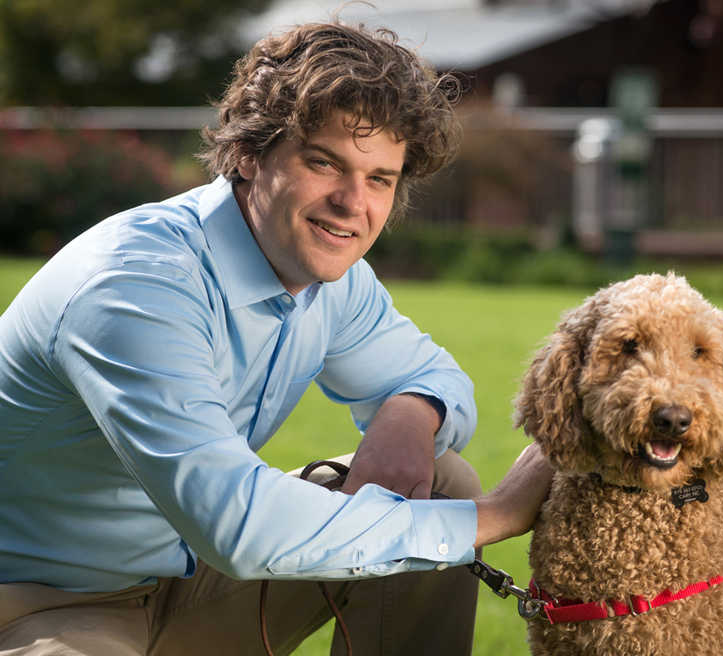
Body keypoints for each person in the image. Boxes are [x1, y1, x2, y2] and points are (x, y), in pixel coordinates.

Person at [0, 20, 553, 656]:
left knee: (443, 476)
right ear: (248, 153)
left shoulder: (330, 275)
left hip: (190, 584)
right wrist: (497, 517)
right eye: (324, 162)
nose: (353, 203)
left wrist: (411, 411)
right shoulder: (135, 287)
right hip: (42, 602)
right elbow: (238, 523)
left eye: (380, 178)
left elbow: (436, 377)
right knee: (453, 510)